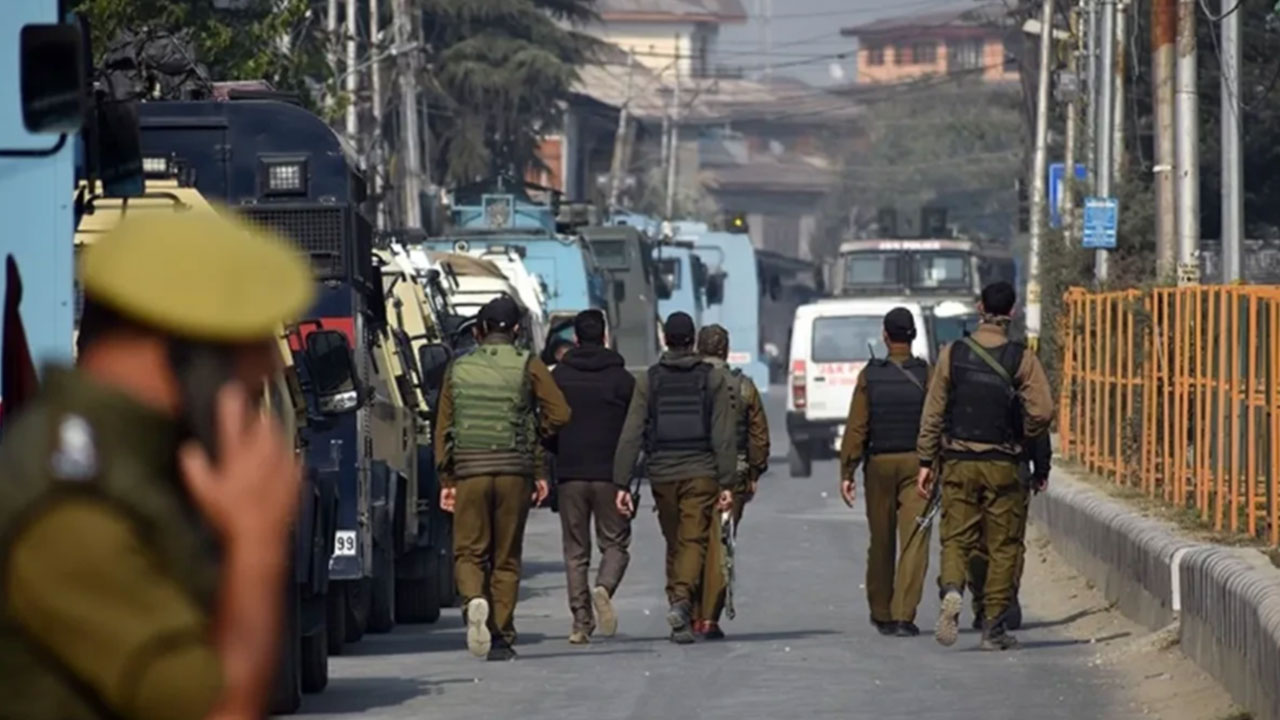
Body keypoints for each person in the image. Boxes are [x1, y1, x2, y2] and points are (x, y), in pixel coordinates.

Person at [0, 210, 313, 720]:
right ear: (187, 351)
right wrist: (257, 542)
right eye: (252, 343)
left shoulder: (136, 464)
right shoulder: (72, 506)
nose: (269, 368)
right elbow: (219, 711)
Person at [916, 281, 1053, 651]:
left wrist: (926, 460)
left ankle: (951, 588)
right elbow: (1043, 411)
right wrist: (1023, 434)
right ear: (1013, 312)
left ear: (980, 309)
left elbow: (933, 411)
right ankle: (993, 627)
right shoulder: (1022, 358)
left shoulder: (952, 353)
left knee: (956, 538)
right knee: (1004, 544)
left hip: (959, 461)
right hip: (1003, 463)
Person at [435, 295, 571, 661]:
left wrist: (447, 480)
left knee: (469, 551)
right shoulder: (529, 364)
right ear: (516, 330)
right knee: (506, 557)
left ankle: (474, 600)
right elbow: (560, 413)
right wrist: (535, 441)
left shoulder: (458, 368)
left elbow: (443, 428)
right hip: (514, 471)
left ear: (479, 330)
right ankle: (500, 637)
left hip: (469, 471)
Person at [613, 312, 737, 645]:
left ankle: (679, 610)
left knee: (677, 542)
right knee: (692, 541)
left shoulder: (649, 380)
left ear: (665, 340)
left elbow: (631, 433)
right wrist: (727, 482)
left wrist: (621, 482)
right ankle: (681, 603)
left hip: (663, 474)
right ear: (692, 341)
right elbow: (723, 436)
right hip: (701, 472)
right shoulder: (712, 379)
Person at [838, 308, 932, 638]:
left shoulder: (870, 376)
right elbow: (936, 420)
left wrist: (847, 471)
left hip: (878, 465)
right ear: (913, 336)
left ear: (885, 336)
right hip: (918, 465)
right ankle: (904, 614)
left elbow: (857, 427)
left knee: (881, 539)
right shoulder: (926, 374)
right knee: (914, 539)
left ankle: (882, 612)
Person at [548, 309, 636, 645]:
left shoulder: (559, 377)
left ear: (575, 338)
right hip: (609, 474)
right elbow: (634, 427)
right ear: (604, 336)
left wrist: (554, 454)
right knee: (615, 544)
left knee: (575, 552)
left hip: (570, 473)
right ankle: (604, 587)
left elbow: (547, 421)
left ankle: (581, 623)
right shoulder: (621, 379)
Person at [692, 324, 770, 640]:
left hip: (691, 471)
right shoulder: (743, 386)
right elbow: (759, 435)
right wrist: (754, 472)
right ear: (726, 350)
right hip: (734, 475)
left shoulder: (688, 382)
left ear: (698, 349)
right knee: (722, 543)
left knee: (689, 541)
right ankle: (709, 618)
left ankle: (688, 610)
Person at [968, 429, 1052, 630]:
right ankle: (1005, 599)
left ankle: (983, 602)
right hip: (1013, 468)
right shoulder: (1022, 403)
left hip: (969, 467)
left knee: (975, 540)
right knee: (1009, 541)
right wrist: (1041, 469)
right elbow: (1038, 422)